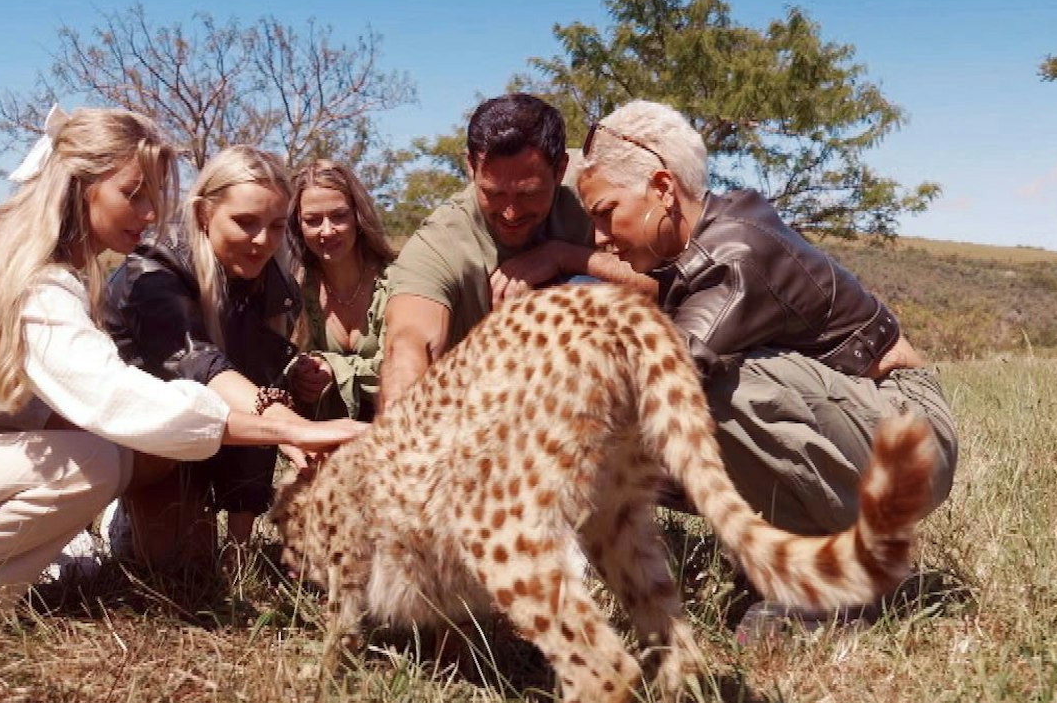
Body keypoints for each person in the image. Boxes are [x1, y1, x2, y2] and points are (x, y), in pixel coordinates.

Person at [0, 110, 367, 647]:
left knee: (97, 454)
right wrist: (287, 429)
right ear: (80, 187)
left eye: (154, 197)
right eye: (133, 194)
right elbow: (118, 401)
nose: (148, 214)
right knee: (97, 460)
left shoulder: (52, 273)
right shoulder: (39, 289)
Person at [572, 99, 959, 629]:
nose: (599, 236)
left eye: (605, 212)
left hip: (911, 445)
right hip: (871, 438)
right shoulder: (702, 239)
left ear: (662, 189)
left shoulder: (733, 255)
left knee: (710, 387)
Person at [100, 145, 333, 558]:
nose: (262, 241)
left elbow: (259, 393)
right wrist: (291, 427)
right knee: (175, 558)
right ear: (205, 213)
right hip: (151, 440)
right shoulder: (152, 270)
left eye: (277, 226)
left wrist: (239, 546)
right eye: (245, 222)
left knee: (207, 561)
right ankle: (114, 514)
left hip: (222, 432)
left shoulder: (274, 283)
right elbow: (197, 362)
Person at [378, 92, 651, 409]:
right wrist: (400, 419)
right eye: (494, 194)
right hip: (485, 401)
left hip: (611, 389)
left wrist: (564, 256)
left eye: (528, 194)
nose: (511, 213)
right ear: (471, 167)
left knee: (586, 290)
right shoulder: (440, 243)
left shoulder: (600, 187)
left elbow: (672, 282)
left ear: (561, 169)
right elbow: (408, 341)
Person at [289, 158, 395, 421]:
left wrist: (335, 368)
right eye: (313, 220)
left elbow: (401, 369)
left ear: (358, 216)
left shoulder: (396, 281)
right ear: (298, 225)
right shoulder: (294, 291)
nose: (327, 231)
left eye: (339, 216)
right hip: (320, 436)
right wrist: (301, 374)